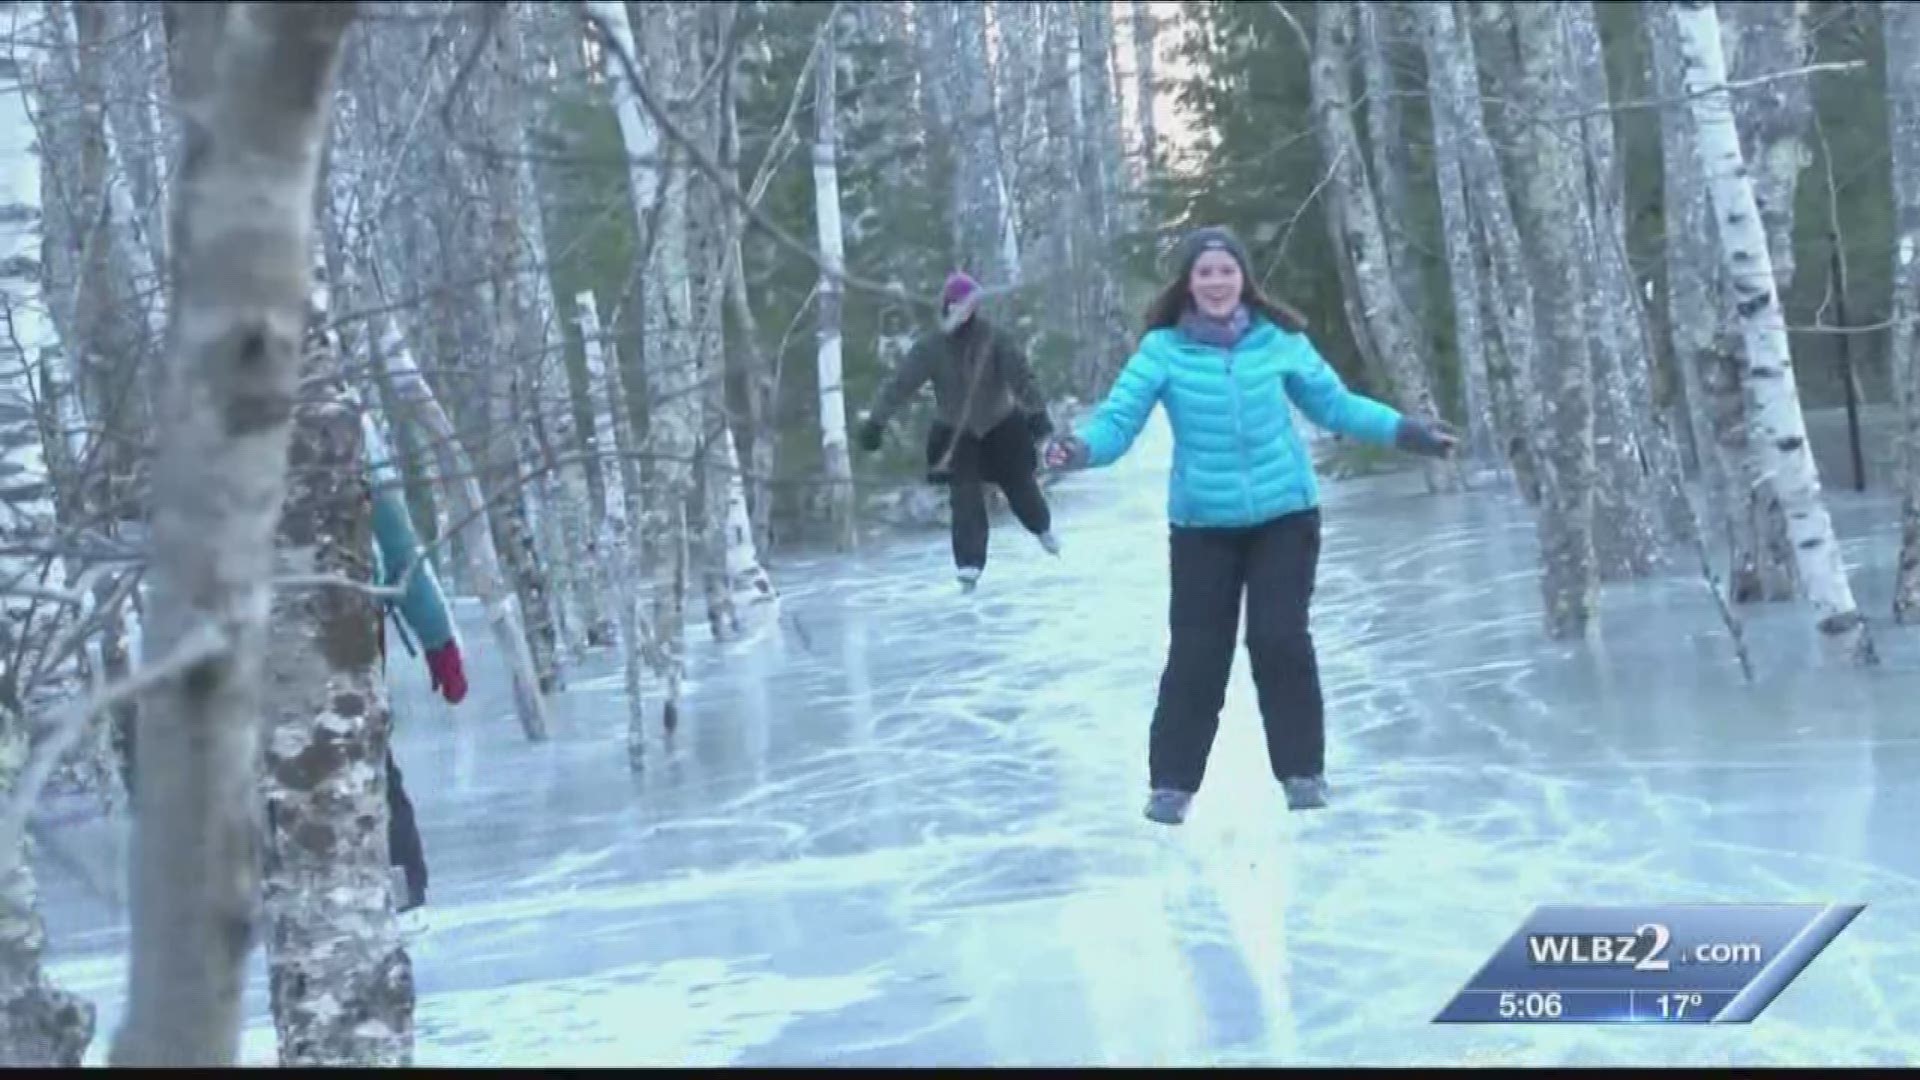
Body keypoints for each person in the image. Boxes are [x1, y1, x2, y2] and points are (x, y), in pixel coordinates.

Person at [1044, 227, 1455, 825]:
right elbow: (1117, 422)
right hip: (1202, 526)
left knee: (1279, 639)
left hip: (1284, 516)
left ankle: (1302, 774)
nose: (1215, 283)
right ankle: (1172, 786)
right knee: (1197, 654)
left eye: (1226, 271)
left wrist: (1405, 431)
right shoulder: (1162, 351)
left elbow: (1336, 406)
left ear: (1244, 279)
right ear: (1188, 282)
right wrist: (1079, 450)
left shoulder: (1278, 341)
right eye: (1204, 273)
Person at [856, 271, 1061, 594]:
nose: (967, 312)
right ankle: (969, 565)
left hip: (1000, 425)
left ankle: (1041, 527)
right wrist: (876, 422)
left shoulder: (995, 338)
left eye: (972, 305)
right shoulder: (931, 347)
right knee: (964, 499)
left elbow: (1021, 377)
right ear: (948, 307)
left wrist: (1037, 416)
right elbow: (900, 385)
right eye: (961, 306)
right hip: (956, 433)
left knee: (1020, 485)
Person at [365, 414, 468, 922]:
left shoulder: (344, 423)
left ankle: (404, 896)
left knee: (366, 763)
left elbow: (398, 544)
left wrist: (437, 638)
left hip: (351, 625)